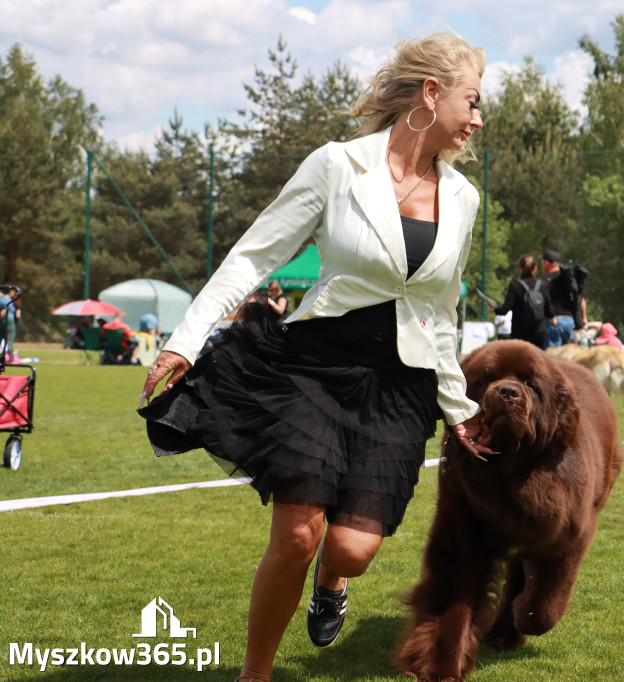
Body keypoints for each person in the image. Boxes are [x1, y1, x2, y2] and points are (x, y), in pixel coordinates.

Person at [137, 33, 490, 682]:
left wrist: (458, 408)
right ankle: (256, 673)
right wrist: (186, 339)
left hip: (401, 389)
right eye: (472, 99)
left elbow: (440, 315)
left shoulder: (464, 200)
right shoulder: (336, 165)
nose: (478, 117)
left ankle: (334, 582)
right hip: (315, 369)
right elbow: (252, 255)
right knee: (296, 533)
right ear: (431, 94)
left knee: (352, 549)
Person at [487, 253, 553, 349]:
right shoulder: (543, 285)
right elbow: (549, 310)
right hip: (539, 332)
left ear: (520, 268)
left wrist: (493, 309)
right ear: (535, 268)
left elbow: (505, 309)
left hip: (520, 333)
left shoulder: (515, 285)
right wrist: (553, 318)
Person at [540, 250, 585, 347]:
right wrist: (582, 319)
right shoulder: (568, 278)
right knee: (565, 357)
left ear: (546, 263)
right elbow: (580, 299)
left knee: (551, 358)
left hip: (553, 322)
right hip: (570, 322)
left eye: (542, 263)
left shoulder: (545, 281)